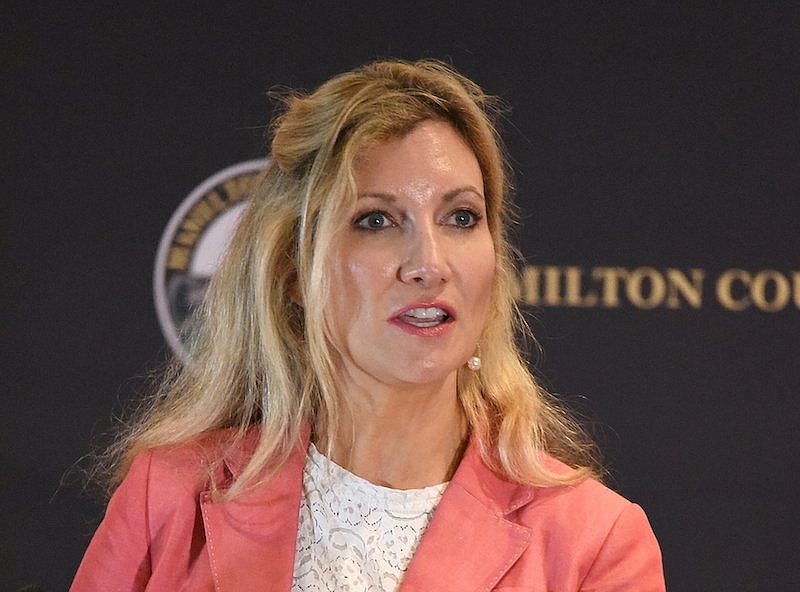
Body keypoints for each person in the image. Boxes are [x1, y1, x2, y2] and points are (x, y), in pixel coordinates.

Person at [71, 59, 665, 591]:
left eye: (461, 217)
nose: (429, 263)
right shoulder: (168, 496)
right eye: (377, 220)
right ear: (293, 271)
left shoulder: (595, 544)